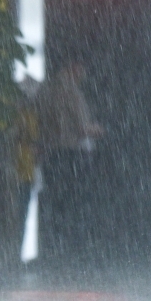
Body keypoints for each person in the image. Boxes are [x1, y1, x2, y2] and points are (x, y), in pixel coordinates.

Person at [35, 62, 104, 260]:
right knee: (76, 204)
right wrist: (99, 130)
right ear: (74, 68)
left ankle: (54, 249)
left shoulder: (45, 91)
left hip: (52, 155)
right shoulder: (72, 93)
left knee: (56, 203)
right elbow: (82, 128)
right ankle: (76, 251)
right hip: (74, 155)